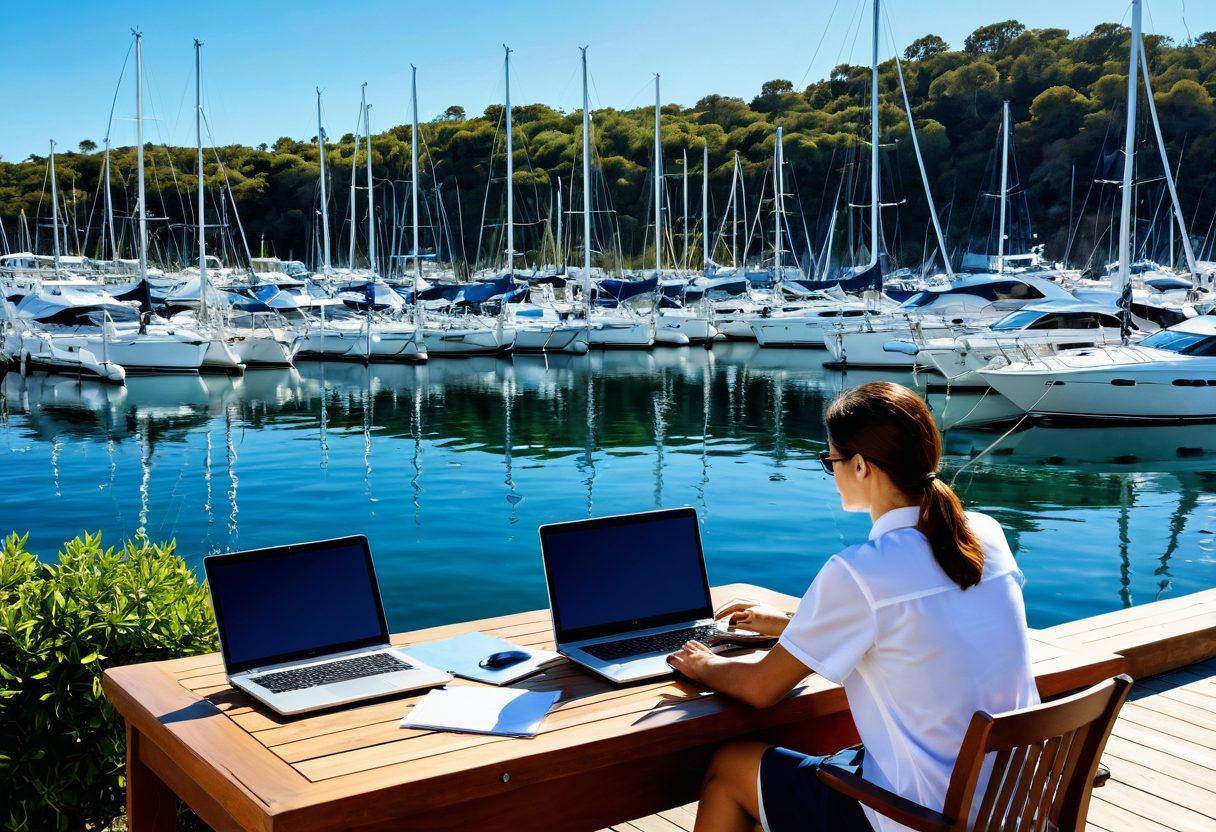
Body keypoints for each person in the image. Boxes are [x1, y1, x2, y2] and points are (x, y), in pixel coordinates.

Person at [668, 381, 1039, 832]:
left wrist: (702, 663)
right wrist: (790, 624)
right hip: (1012, 809)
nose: (832, 471)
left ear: (861, 466)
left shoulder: (860, 571)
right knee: (833, 760)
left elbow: (761, 688)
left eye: (831, 461)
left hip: (922, 818)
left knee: (729, 767)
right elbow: (918, 620)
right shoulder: (985, 535)